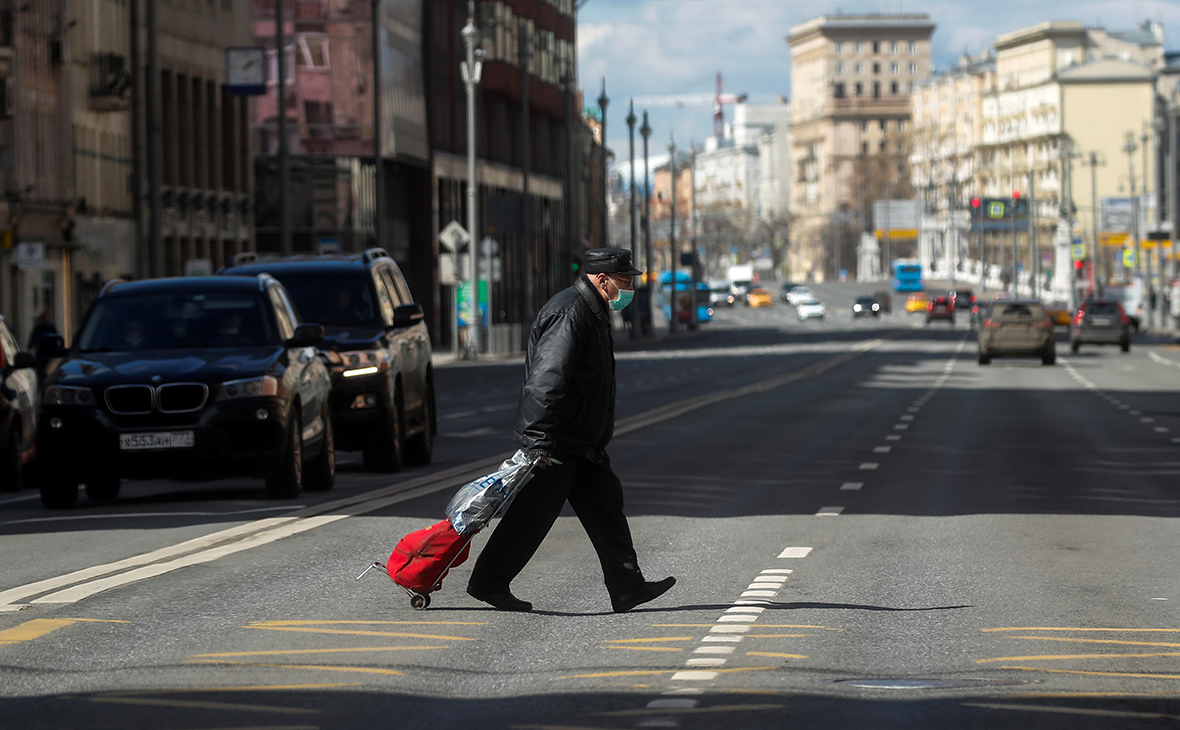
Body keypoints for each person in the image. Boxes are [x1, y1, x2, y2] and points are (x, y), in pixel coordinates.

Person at [466, 247, 676, 613]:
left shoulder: (590, 311)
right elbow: (546, 381)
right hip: (559, 441)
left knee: (606, 507)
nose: (627, 289)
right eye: (624, 282)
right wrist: (538, 441)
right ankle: (488, 582)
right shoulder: (570, 313)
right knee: (531, 517)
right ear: (602, 279)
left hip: (581, 441)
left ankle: (627, 586)